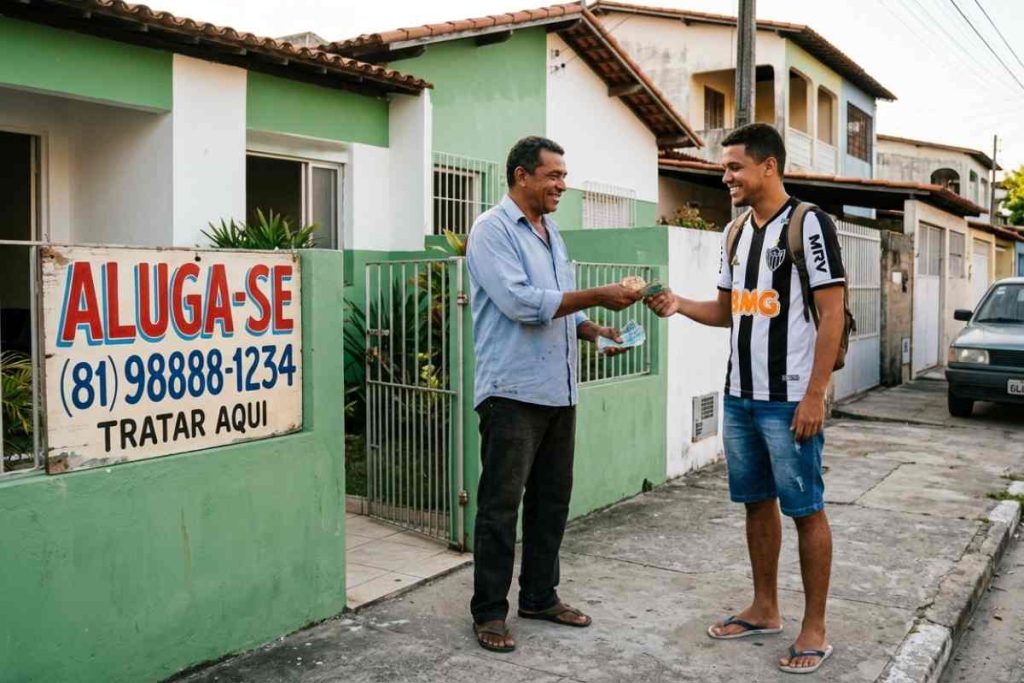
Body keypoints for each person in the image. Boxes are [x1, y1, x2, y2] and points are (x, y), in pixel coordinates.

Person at [646, 123, 846, 675]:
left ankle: (815, 626)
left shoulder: (810, 225)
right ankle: (764, 608)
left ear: (768, 167)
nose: (726, 175)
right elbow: (728, 310)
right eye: (725, 167)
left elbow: (831, 314)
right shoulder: (733, 234)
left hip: (790, 403)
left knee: (805, 509)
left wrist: (814, 394)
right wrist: (679, 304)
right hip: (739, 398)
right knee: (756, 503)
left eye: (734, 166)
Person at [465, 135, 642, 653]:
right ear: (522, 175)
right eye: (553, 175)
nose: (562, 184)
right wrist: (600, 295)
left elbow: (561, 301)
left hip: (558, 392)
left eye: (563, 175)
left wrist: (595, 329)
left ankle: (540, 596)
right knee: (500, 508)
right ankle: (489, 613)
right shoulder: (491, 231)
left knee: (551, 504)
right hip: (512, 393)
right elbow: (523, 303)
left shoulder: (551, 231)